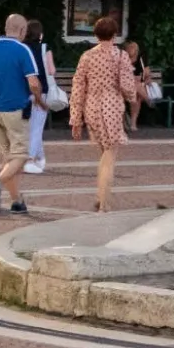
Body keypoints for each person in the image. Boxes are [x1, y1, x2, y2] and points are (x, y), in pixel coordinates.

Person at [69, 16, 141, 212]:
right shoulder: (120, 56)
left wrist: (75, 119)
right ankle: (103, 203)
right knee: (110, 155)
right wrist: (133, 97)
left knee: (104, 153)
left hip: (91, 107)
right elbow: (127, 87)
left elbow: (78, 88)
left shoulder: (87, 56)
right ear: (115, 34)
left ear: (95, 34)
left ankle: (101, 196)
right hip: (112, 106)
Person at [0, 14, 43, 215]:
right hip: (15, 109)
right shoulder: (23, 50)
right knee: (21, 156)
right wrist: (39, 100)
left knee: (8, 158)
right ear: (22, 30)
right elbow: (33, 83)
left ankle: (17, 201)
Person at [22, 20, 59, 174]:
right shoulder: (45, 47)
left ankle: (40, 158)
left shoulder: (22, 47)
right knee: (37, 127)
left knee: (31, 127)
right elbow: (51, 70)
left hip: (24, 91)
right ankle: (30, 159)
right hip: (41, 91)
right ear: (40, 34)